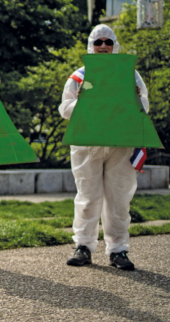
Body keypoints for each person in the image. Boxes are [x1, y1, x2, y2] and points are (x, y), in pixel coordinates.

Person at [59, 24, 148, 271]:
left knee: (119, 198)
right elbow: (64, 109)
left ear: (115, 45)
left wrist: (135, 97)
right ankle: (83, 247)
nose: (103, 46)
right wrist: (81, 103)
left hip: (121, 143)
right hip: (87, 144)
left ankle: (118, 250)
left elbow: (144, 106)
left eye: (108, 41)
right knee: (88, 197)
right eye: (98, 42)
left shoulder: (130, 74)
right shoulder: (78, 76)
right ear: (91, 45)